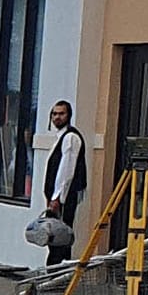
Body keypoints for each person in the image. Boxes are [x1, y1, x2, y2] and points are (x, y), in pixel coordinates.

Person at [43, 100, 87, 247]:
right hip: (56, 198)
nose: (57, 117)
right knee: (52, 234)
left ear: (68, 116)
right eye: (54, 114)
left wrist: (57, 198)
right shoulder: (60, 137)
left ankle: (59, 266)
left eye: (61, 114)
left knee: (60, 235)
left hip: (64, 198)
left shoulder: (70, 137)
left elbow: (66, 170)